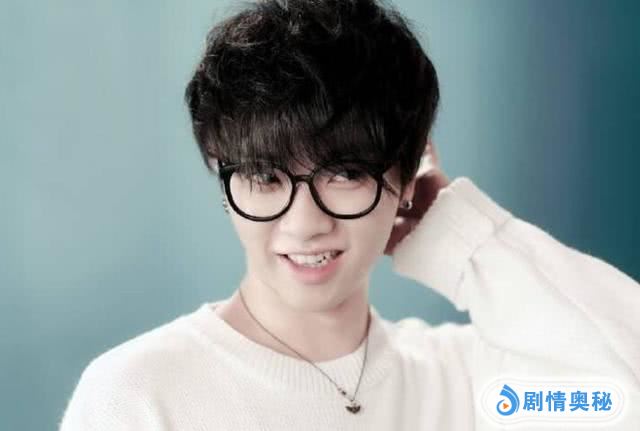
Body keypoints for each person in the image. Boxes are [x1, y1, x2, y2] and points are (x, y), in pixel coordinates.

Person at [59, 0, 640, 429]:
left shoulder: (469, 383)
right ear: (222, 175)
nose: (304, 223)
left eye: (345, 174)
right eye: (265, 177)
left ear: (407, 174)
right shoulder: (138, 396)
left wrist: (461, 240)